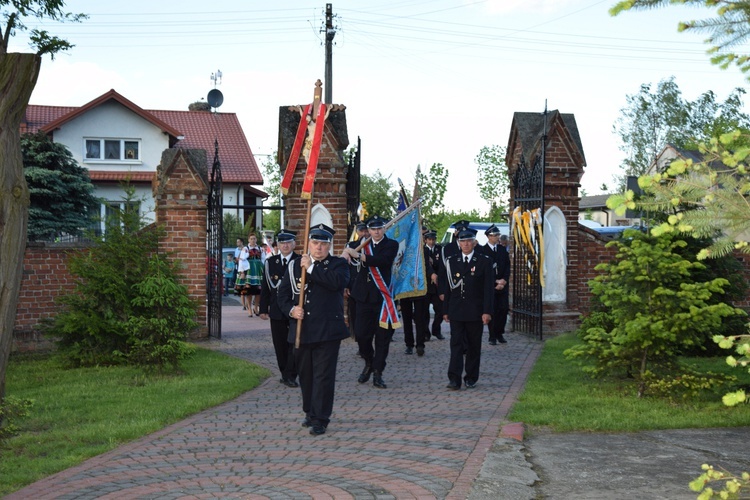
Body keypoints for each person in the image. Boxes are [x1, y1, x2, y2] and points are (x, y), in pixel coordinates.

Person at [277, 223, 350, 436]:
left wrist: (311, 268)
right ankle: (309, 412)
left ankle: (321, 418)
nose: (319, 248)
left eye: (323, 244)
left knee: (323, 376)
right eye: (315, 243)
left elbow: (336, 283)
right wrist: (291, 310)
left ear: (329, 246)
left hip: (328, 331)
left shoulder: (338, 265)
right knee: (306, 375)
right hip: (302, 328)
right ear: (308, 243)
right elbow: (282, 296)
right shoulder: (293, 266)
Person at [342, 214, 399, 389]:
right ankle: (369, 362)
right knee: (361, 335)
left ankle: (378, 372)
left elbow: (383, 261)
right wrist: (347, 252)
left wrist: (360, 256)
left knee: (382, 338)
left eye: (379, 228)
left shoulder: (391, 245)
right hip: (363, 297)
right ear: (368, 230)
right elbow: (346, 253)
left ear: (384, 229)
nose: (376, 231)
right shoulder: (360, 244)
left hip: (382, 298)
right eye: (373, 228)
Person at [441, 227, 494, 390]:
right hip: (456, 309)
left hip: (475, 311)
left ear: (474, 242)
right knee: (455, 344)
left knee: (473, 345)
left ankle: (471, 377)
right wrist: (445, 310)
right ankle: (454, 378)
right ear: (458, 243)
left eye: (469, 241)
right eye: (462, 241)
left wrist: (487, 311)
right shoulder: (451, 261)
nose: (466, 244)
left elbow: (488, 289)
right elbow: (447, 288)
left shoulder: (484, 261)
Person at [259, 230, 301, 388]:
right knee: (280, 344)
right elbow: (265, 287)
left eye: (289, 242)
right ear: (277, 244)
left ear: (294, 244)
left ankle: (291, 374)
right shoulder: (271, 262)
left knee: (294, 343)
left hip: (295, 308)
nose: (285, 245)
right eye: (282, 242)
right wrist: (263, 308)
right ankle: (284, 372)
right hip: (277, 310)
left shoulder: (300, 261)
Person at [401, 228, 434, 356]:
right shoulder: (402, 249)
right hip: (405, 288)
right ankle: (409, 344)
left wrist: (432, 274)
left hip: (419, 287)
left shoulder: (423, 250)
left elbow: (426, 266)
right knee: (407, 318)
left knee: (420, 318)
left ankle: (420, 344)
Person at [479, 224, 510, 345]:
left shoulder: (502, 249)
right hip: (490, 285)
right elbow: (483, 270)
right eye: (495, 235)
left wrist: (504, 280)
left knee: (503, 309)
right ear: (488, 237)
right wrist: (495, 282)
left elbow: (507, 266)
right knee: (492, 310)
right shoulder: (482, 250)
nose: (498, 237)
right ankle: (492, 335)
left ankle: (499, 333)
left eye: (498, 235)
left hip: (502, 284)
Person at [343, 222, 368, 339]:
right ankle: (358, 337)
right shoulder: (351, 246)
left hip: (368, 285)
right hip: (353, 285)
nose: (364, 233)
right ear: (357, 232)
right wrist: (346, 285)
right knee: (355, 313)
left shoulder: (372, 246)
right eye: (361, 231)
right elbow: (346, 267)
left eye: (365, 231)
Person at [422, 229, 445, 341]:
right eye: (429, 239)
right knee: (424, 311)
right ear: (425, 240)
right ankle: (426, 332)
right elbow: (424, 265)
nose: (431, 241)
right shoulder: (422, 250)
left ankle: (436, 329)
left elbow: (441, 265)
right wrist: (431, 273)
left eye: (433, 239)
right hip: (426, 285)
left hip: (437, 285)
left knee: (440, 310)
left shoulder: (439, 249)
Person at [244, 232, 265, 316]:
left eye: (254, 238)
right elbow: (242, 260)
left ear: (256, 239)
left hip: (258, 270)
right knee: (249, 290)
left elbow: (264, 260)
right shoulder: (245, 248)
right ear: (249, 240)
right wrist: (242, 272)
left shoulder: (260, 249)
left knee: (258, 290)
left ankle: (256, 307)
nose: (253, 240)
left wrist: (264, 269)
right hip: (249, 269)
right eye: (251, 239)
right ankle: (249, 308)